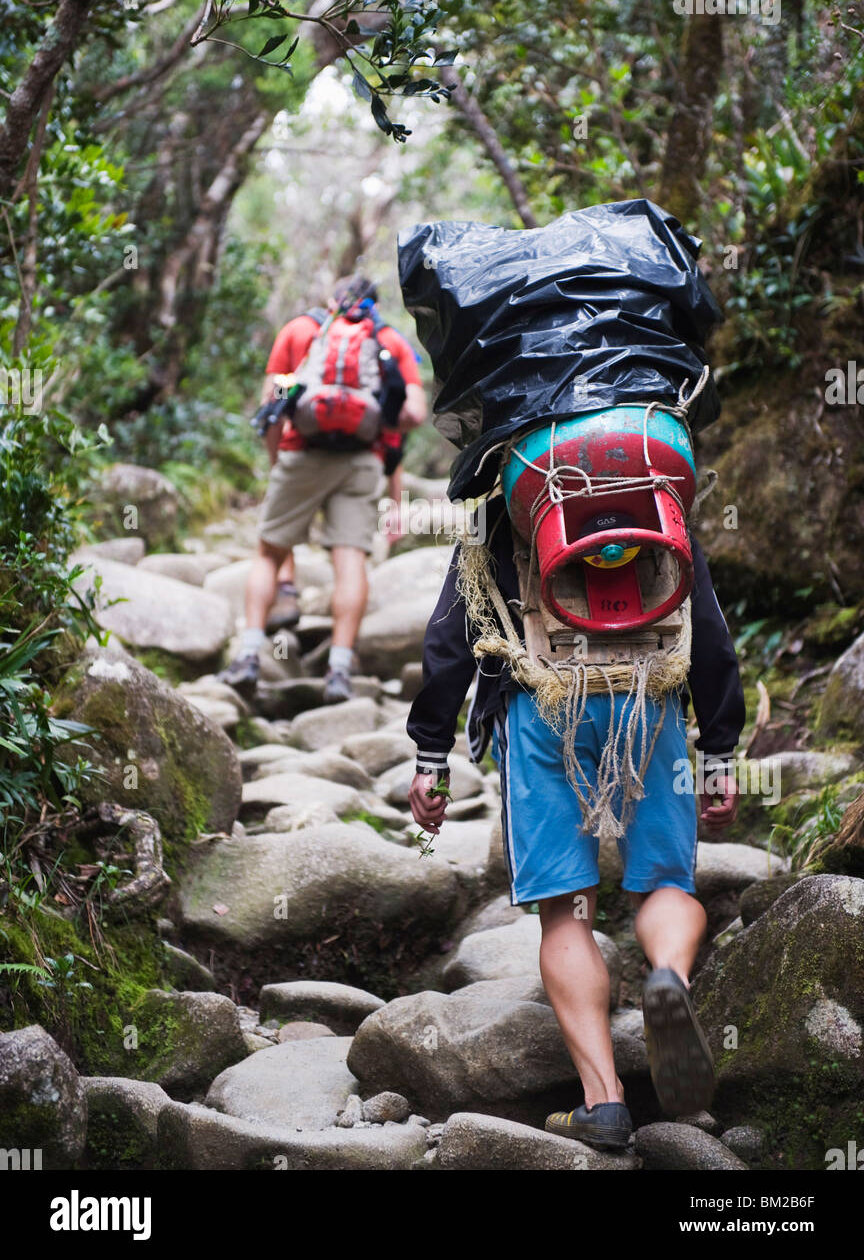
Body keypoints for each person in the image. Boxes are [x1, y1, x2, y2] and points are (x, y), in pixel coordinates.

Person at [406, 492, 745, 1148]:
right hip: (650, 701)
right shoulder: (653, 484)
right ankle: (667, 976)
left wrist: (429, 755)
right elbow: (706, 621)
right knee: (666, 883)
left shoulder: (503, 495)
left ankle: (605, 1102)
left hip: (543, 707)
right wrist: (720, 754)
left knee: (567, 910)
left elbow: (451, 634)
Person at [221, 274, 427, 703]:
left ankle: (248, 657)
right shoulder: (388, 339)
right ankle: (338, 670)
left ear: (332, 298)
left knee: (269, 552)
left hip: (303, 454)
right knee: (350, 560)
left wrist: (279, 458)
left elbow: (272, 404)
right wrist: (377, 419)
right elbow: (415, 414)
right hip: (361, 462)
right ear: (373, 304)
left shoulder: (300, 331)